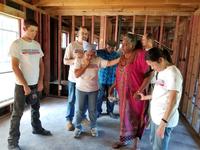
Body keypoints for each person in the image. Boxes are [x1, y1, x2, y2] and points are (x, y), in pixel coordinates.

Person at [8, 19, 52, 150]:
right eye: (31, 30)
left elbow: (41, 64)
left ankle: (37, 129)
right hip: (21, 86)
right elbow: (15, 67)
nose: (34, 33)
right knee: (17, 113)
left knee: (36, 108)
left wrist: (40, 81)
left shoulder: (37, 45)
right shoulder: (17, 44)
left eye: (36, 31)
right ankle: (12, 141)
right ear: (24, 28)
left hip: (35, 84)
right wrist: (25, 85)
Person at [110, 34, 152, 149]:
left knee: (136, 117)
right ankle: (123, 140)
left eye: (126, 44)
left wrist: (139, 91)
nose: (123, 46)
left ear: (133, 44)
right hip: (124, 95)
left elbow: (149, 75)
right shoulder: (123, 57)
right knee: (124, 118)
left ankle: (135, 144)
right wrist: (113, 86)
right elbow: (120, 75)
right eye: (122, 43)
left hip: (136, 96)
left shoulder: (141, 55)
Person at [138, 47, 183, 150]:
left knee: (159, 147)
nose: (152, 68)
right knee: (153, 142)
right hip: (156, 117)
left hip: (164, 120)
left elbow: (173, 101)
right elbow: (160, 93)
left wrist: (163, 124)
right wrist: (146, 97)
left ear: (161, 60)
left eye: (153, 65)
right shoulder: (162, 71)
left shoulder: (173, 74)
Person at [73, 41, 120, 138]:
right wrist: (85, 65)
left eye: (92, 55)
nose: (90, 57)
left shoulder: (98, 60)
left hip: (93, 90)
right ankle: (78, 127)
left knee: (92, 110)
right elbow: (77, 74)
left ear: (95, 53)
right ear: (84, 52)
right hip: (81, 89)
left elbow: (110, 63)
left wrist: (121, 58)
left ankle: (93, 127)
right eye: (88, 54)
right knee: (80, 110)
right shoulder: (79, 59)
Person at [63, 26, 89, 131]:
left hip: (85, 79)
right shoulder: (71, 45)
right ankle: (69, 120)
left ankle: (82, 117)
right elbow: (65, 61)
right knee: (71, 99)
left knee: (84, 100)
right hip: (74, 78)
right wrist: (76, 60)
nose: (85, 35)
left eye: (86, 33)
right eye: (83, 33)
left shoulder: (88, 46)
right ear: (77, 34)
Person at [96, 40, 120, 119]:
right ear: (106, 45)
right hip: (101, 78)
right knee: (99, 96)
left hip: (112, 79)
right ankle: (98, 111)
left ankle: (110, 111)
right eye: (109, 47)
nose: (110, 49)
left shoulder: (117, 55)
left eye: (112, 48)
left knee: (111, 96)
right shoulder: (100, 53)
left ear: (115, 48)